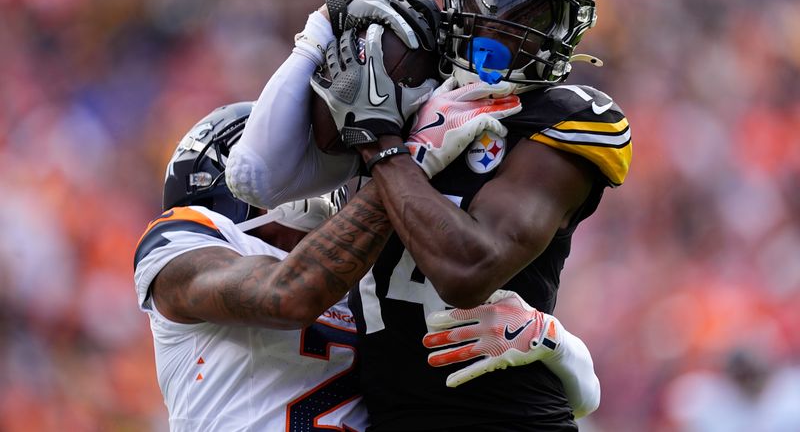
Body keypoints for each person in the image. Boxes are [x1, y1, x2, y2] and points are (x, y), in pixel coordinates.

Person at [229, 0, 629, 431]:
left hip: (508, 421)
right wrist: (319, 32)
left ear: (565, 31)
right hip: (388, 417)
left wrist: (386, 149)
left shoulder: (565, 117)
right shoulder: (407, 87)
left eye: (533, 13)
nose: (501, 24)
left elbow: (467, 271)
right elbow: (253, 178)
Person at [135, 100, 597, 431]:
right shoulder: (183, 241)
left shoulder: (365, 281)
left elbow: (580, 402)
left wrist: (554, 341)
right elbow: (288, 295)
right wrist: (401, 161)